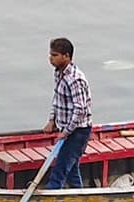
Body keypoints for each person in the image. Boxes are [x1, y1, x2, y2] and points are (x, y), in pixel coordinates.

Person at [42, 37, 92, 189]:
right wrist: (52, 120)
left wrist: (66, 132)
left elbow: (80, 110)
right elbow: (57, 98)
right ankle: (80, 196)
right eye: (50, 55)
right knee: (71, 169)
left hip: (78, 131)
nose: (51, 59)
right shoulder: (58, 73)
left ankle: (51, 199)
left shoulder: (74, 79)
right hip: (66, 128)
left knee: (60, 169)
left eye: (55, 55)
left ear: (66, 56)